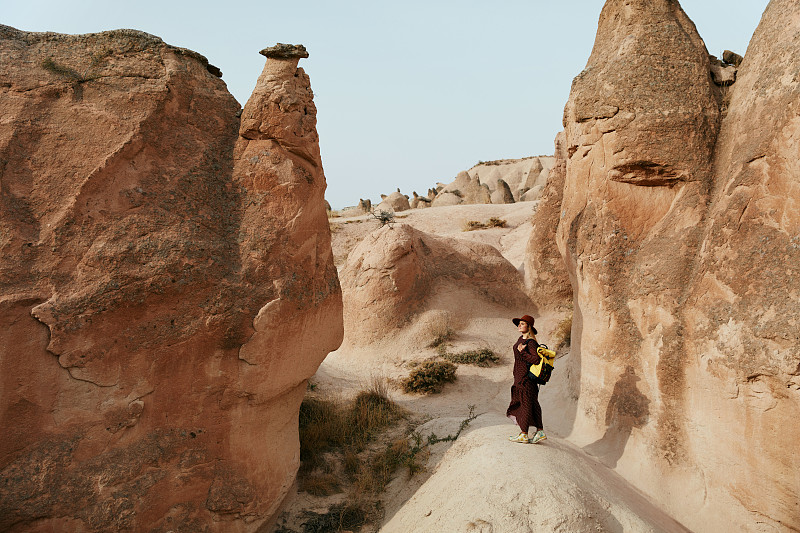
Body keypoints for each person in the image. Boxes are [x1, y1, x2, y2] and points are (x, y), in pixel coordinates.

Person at [506, 314, 547, 444]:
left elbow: (536, 359)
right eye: (519, 323)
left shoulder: (531, 343)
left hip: (526, 379)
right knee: (532, 403)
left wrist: (523, 352)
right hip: (520, 377)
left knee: (525, 404)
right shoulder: (520, 339)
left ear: (529, 327)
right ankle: (539, 431)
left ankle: (524, 433)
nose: (519, 325)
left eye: (522, 323)